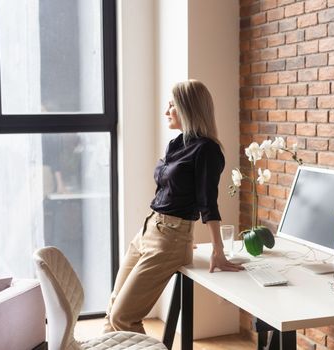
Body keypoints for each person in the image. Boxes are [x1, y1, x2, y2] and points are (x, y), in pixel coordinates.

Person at [103, 79, 244, 334]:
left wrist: (218, 250)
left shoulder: (207, 150)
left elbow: (208, 202)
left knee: (123, 316)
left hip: (171, 239)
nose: (166, 112)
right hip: (148, 229)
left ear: (187, 108)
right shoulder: (177, 143)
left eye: (172, 106)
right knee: (112, 310)